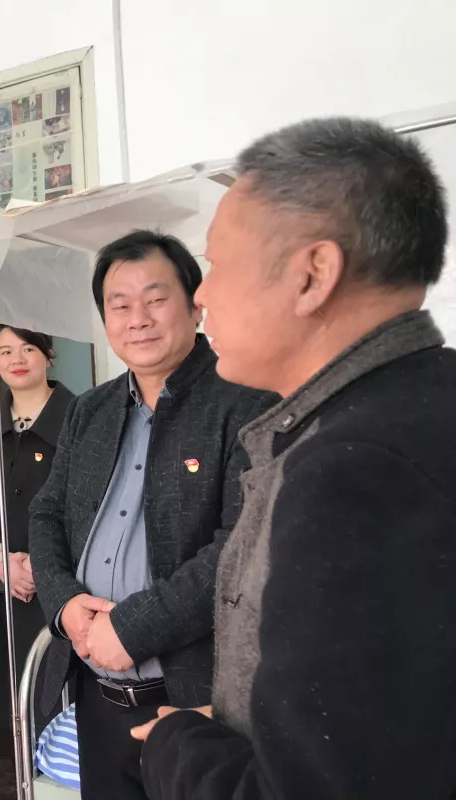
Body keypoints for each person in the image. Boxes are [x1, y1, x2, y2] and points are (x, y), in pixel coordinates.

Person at [133, 118, 456, 799]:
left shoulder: (355, 470)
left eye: (217, 265)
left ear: (313, 275)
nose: (201, 296)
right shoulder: (423, 403)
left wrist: (176, 743)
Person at [29, 231, 276, 800]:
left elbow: (243, 545)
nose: (137, 319)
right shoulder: (89, 410)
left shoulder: (246, 401)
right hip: (95, 694)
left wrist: (133, 628)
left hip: (195, 701)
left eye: (156, 299)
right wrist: (65, 605)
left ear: (195, 304)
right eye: (119, 305)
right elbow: (46, 513)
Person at [0, 325, 75, 758]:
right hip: (5, 581)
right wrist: (0, 560)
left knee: (61, 702)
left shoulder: (81, 416)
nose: (16, 359)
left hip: (64, 582)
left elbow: (92, 500)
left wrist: (45, 565)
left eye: (27, 348)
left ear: (48, 354)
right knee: (12, 691)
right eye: (5, 351)